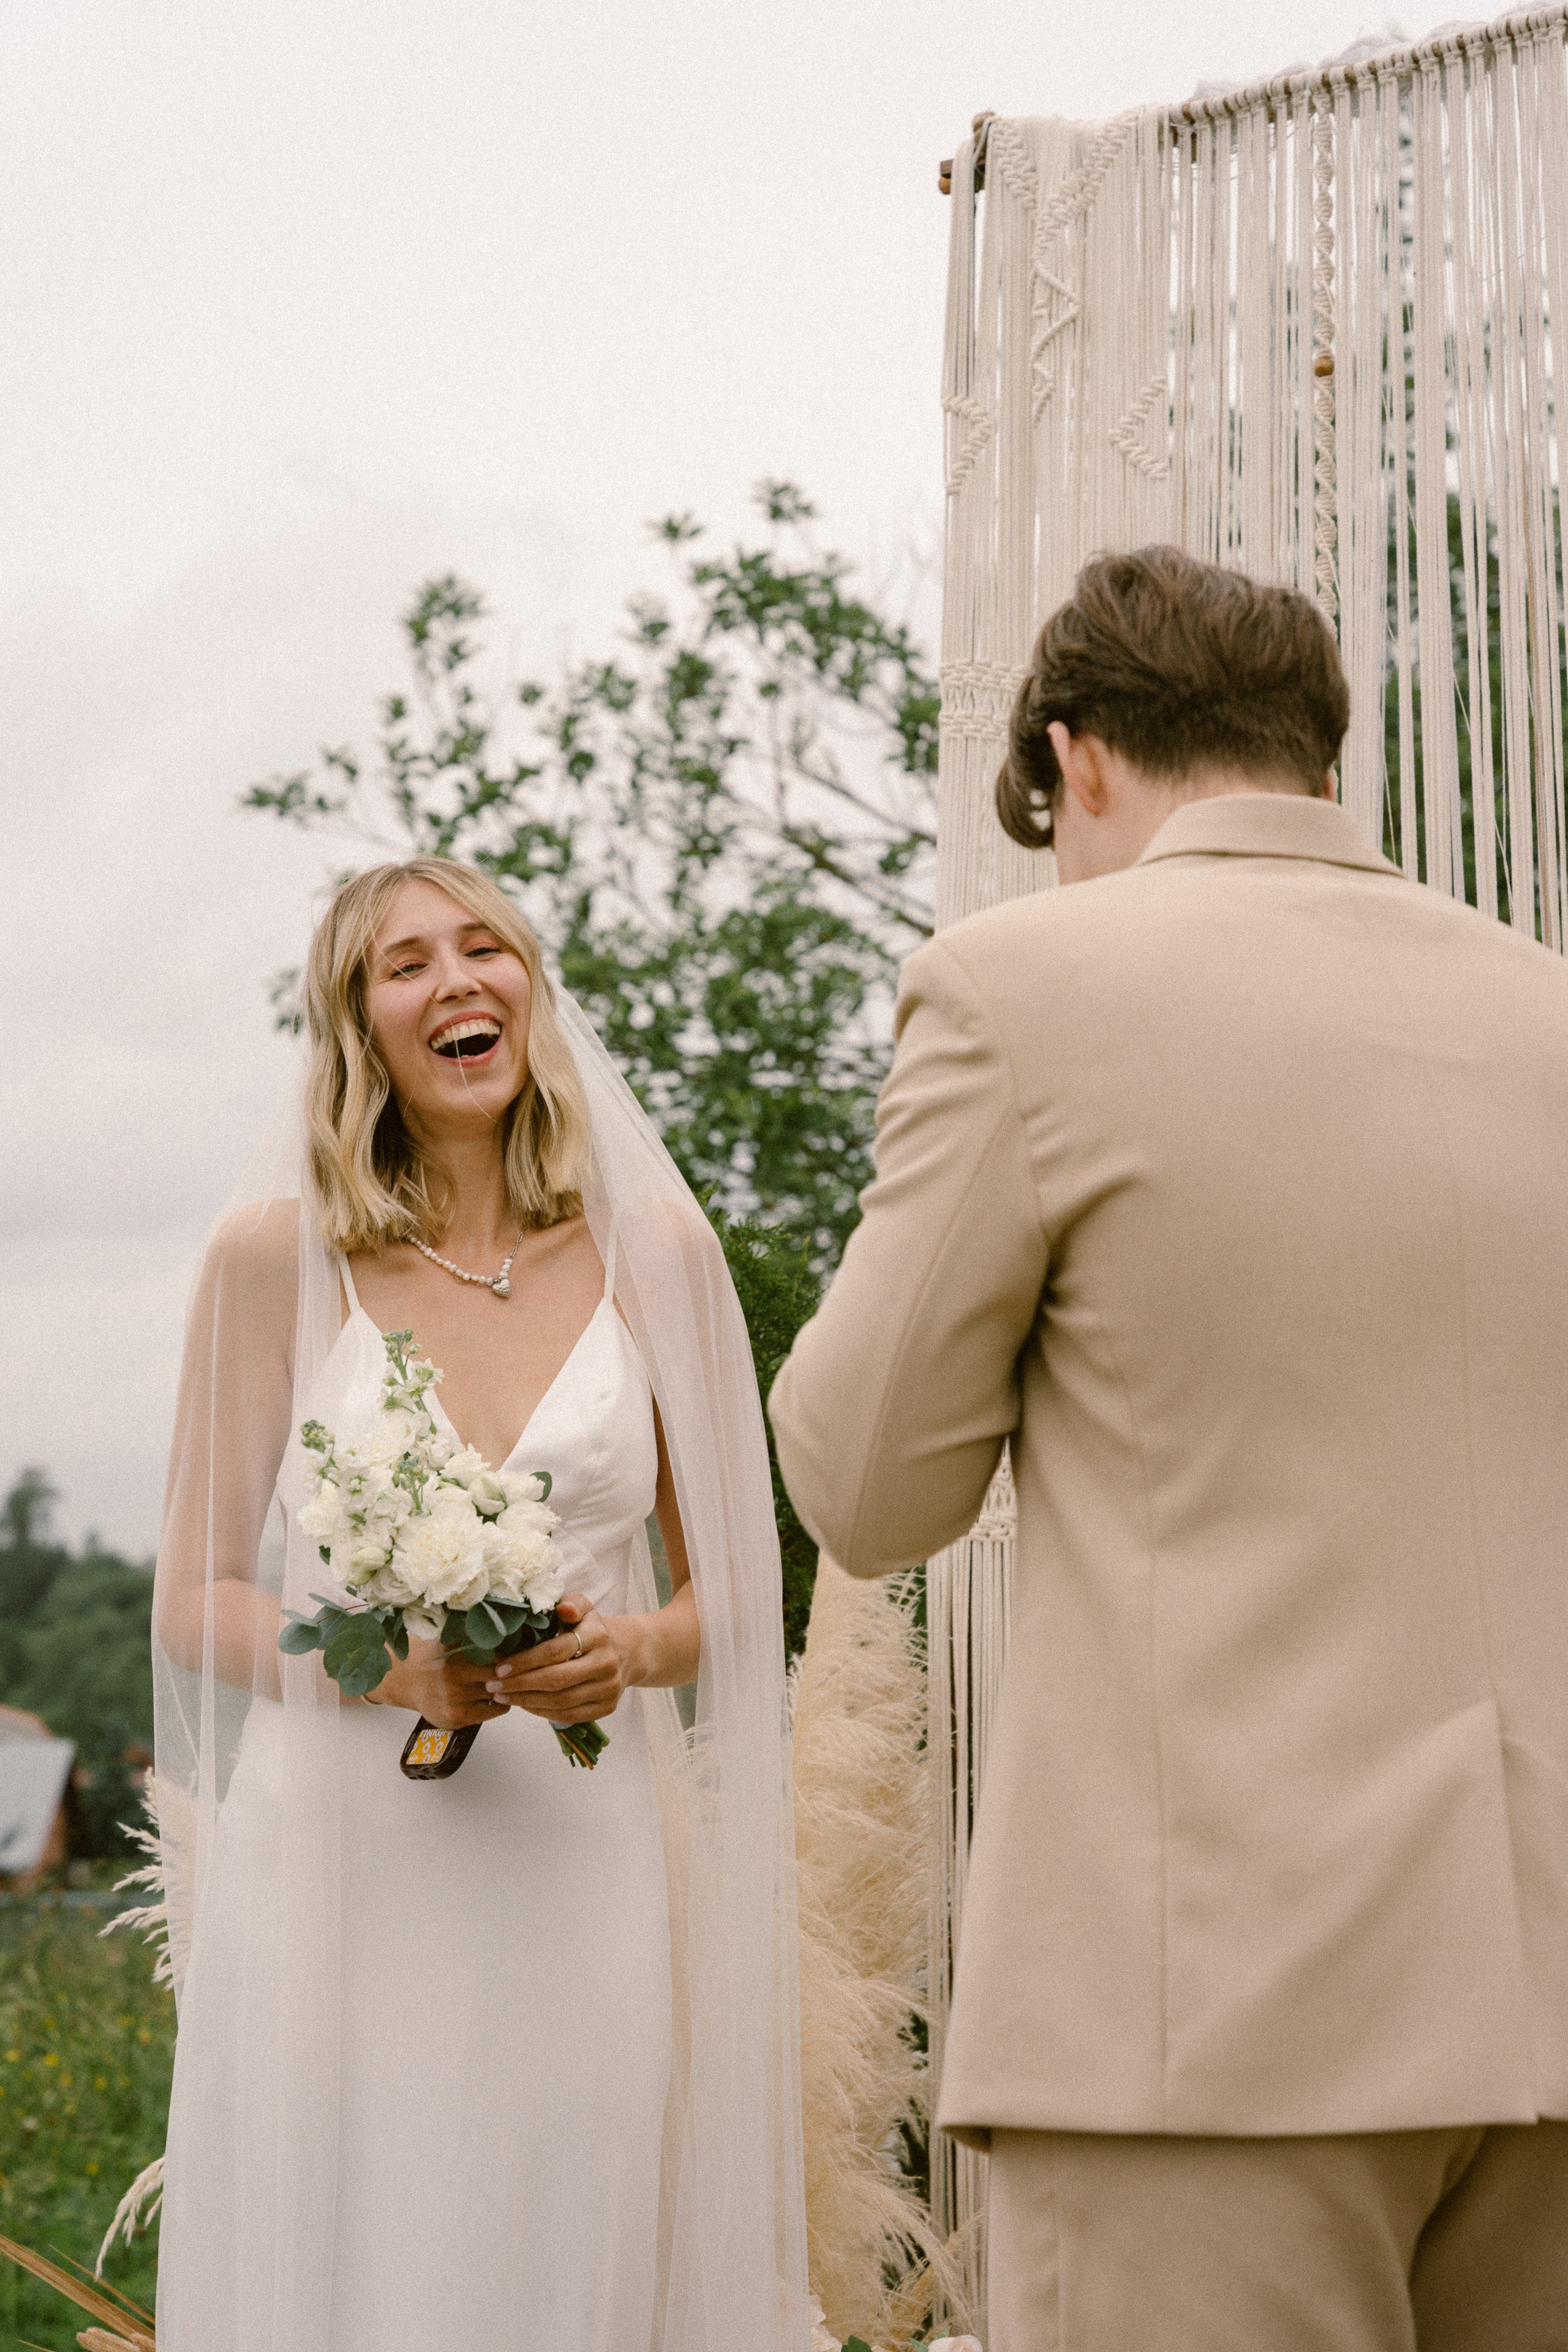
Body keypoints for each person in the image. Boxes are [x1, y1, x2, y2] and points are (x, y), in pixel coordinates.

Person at [769, 547, 1568, 2351]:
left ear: (1078, 757)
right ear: (1313, 746)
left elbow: (866, 1487)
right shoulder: (1547, 1009)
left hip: (1203, 2015)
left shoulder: (1016, 991)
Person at [152, 857, 809, 2351]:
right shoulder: (272, 1262)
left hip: (574, 1860)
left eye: (484, 949)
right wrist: (386, 1671)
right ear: (358, 1030)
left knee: (557, 2234)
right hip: (336, 1867)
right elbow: (194, 1597)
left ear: (528, 988)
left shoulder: (661, 1256)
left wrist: (634, 1649)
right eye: (405, 965)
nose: (456, 981)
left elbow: (737, 1586)